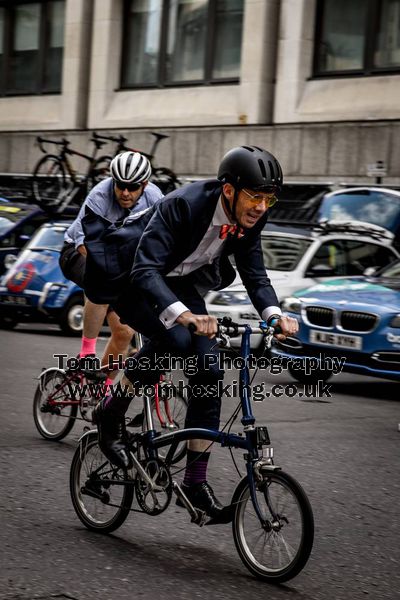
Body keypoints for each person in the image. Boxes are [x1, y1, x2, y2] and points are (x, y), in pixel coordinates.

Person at [91, 145, 299, 519]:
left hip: (181, 284)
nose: (261, 207)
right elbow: (146, 270)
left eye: (269, 199)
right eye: (255, 196)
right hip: (135, 280)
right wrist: (183, 315)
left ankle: (195, 484)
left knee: (210, 370)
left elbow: (254, 271)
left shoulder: (254, 215)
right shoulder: (184, 205)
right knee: (175, 339)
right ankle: (110, 412)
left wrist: (273, 314)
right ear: (230, 190)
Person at [59, 151, 163, 384]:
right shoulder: (99, 196)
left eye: (133, 187)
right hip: (76, 253)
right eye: (120, 185)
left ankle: (104, 392)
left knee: (124, 332)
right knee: (102, 282)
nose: (125, 193)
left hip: (119, 259)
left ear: (144, 185)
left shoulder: (155, 197)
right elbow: (84, 244)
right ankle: (86, 354)